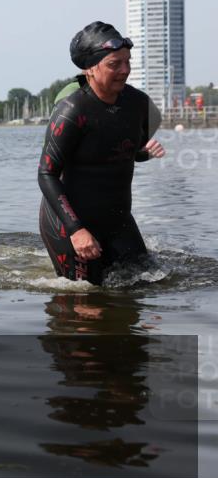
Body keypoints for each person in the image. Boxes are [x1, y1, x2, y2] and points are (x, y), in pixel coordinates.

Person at [38, 21, 166, 285]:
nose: (124, 70)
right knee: (86, 308)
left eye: (127, 62)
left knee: (147, 287)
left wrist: (144, 153)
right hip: (70, 222)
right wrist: (76, 230)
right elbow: (47, 174)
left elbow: (119, 153)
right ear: (90, 69)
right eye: (114, 64)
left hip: (118, 219)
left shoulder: (138, 104)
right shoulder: (72, 111)